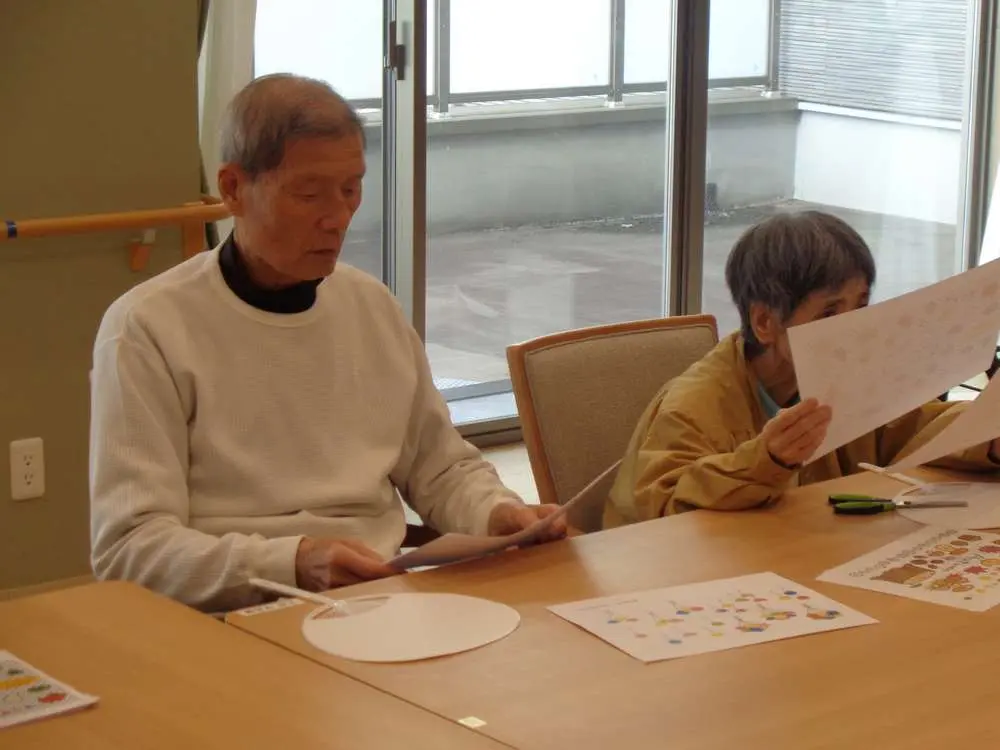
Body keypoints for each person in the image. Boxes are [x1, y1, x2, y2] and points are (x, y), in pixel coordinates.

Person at [89, 74, 565, 612]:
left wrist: (497, 512)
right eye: (309, 193)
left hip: (378, 596)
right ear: (233, 189)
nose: (337, 219)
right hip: (229, 611)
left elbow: (440, 467)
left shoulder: (370, 306)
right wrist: (292, 562)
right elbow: (128, 549)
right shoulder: (148, 327)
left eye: (350, 189)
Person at [604, 210, 1000, 526]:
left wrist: (988, 435)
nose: (852, 329)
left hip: (800, 556)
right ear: (765, 322)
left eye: (861, 306)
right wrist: (767, 460)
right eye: (829, 313)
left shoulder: (847, 377)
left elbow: (913, 427)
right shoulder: (695, 403)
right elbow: (665, 512)